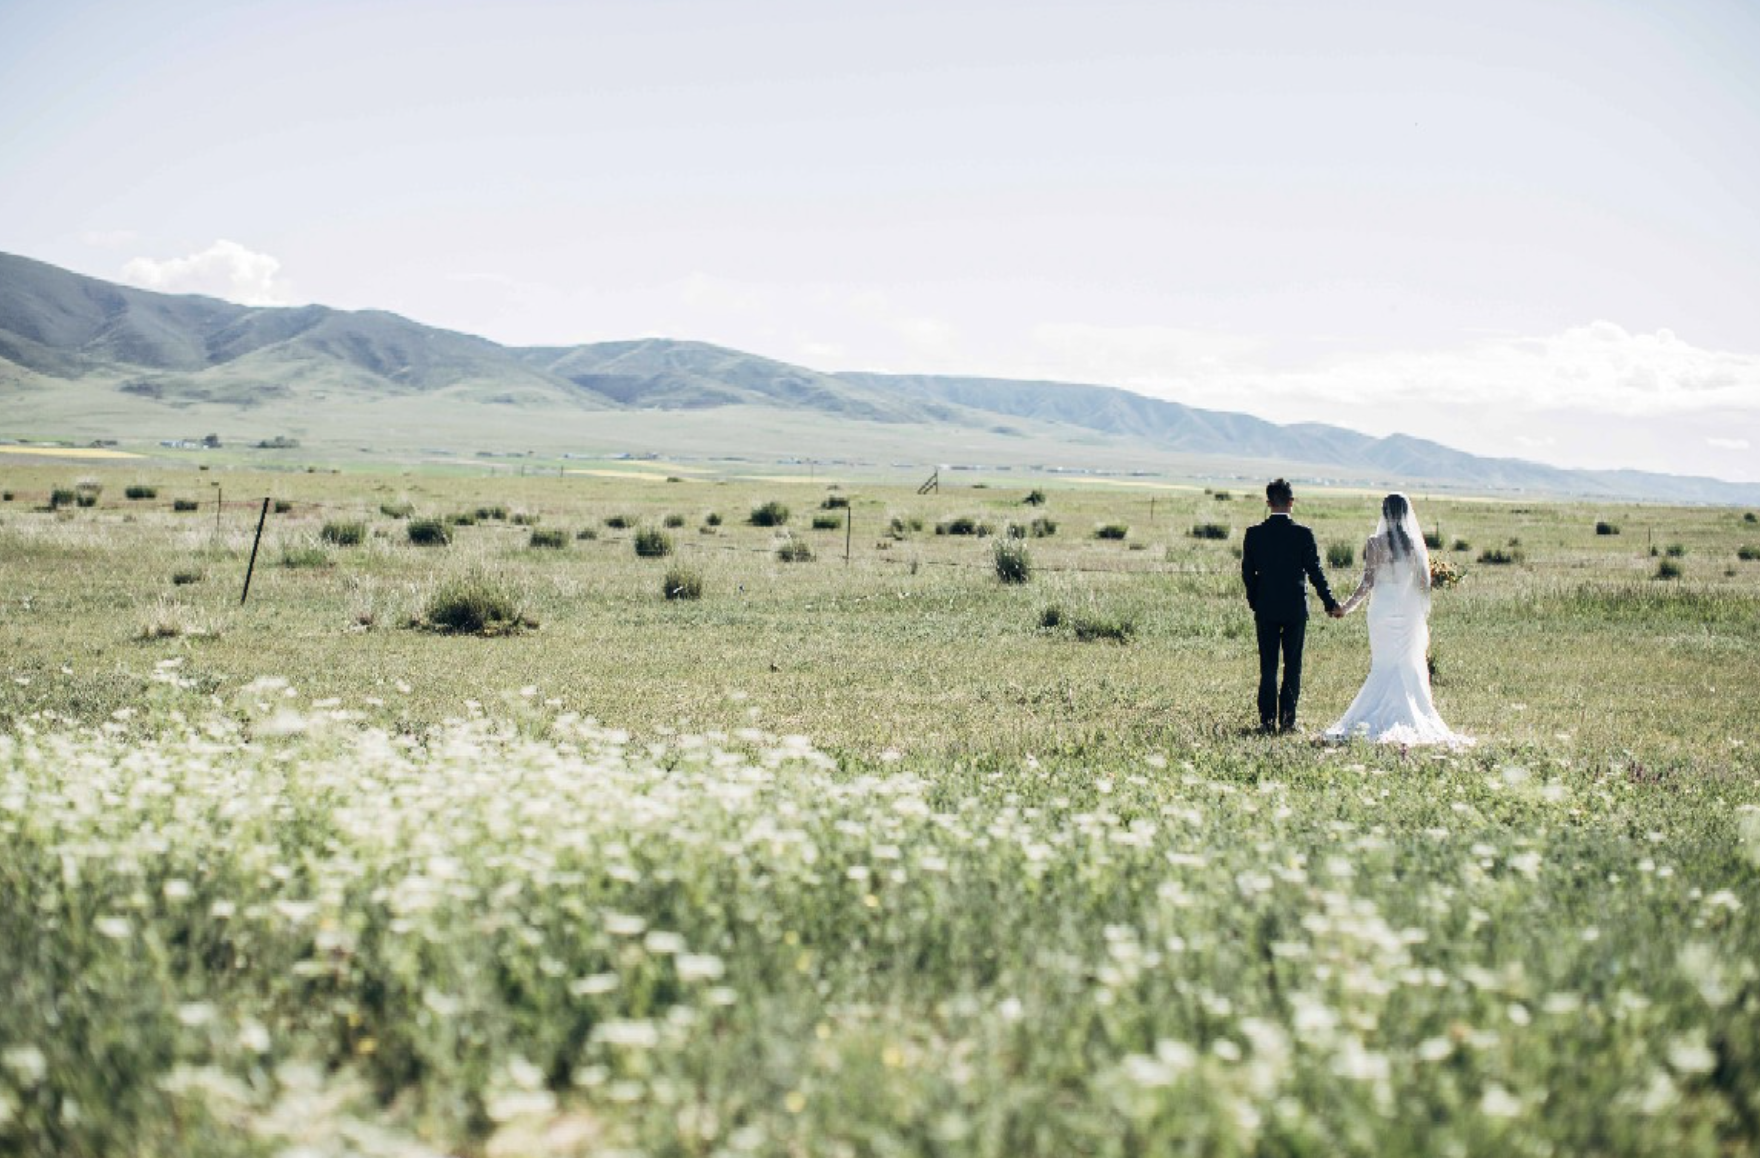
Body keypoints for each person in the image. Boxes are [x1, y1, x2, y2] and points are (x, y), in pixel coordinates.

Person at [1324, 493, 1472, 747]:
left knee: (1383, 664)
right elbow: (1423, 584)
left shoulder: (1374, 544)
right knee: (1406, 665)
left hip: (1381, 610)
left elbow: (1366, 584)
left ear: (1384, 513)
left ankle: (1373, 714)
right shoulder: (1415, 546)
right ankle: (1409, 712)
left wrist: (1345, 608)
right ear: (1406, 514)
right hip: (1406, 611)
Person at [1240, 478, 1341, 734]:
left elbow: (1248, 574)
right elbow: (1315, 572)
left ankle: (1266, 721)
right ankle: (1288, 721)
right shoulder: (1302, 534)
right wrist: (1329, 602)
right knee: (1293, 665)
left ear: (1268, 502)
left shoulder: (1254, 534)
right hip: (1295, 608)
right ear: (1291, 502)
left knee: (1268, 666)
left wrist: (1255, 601)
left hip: (1266, 608)